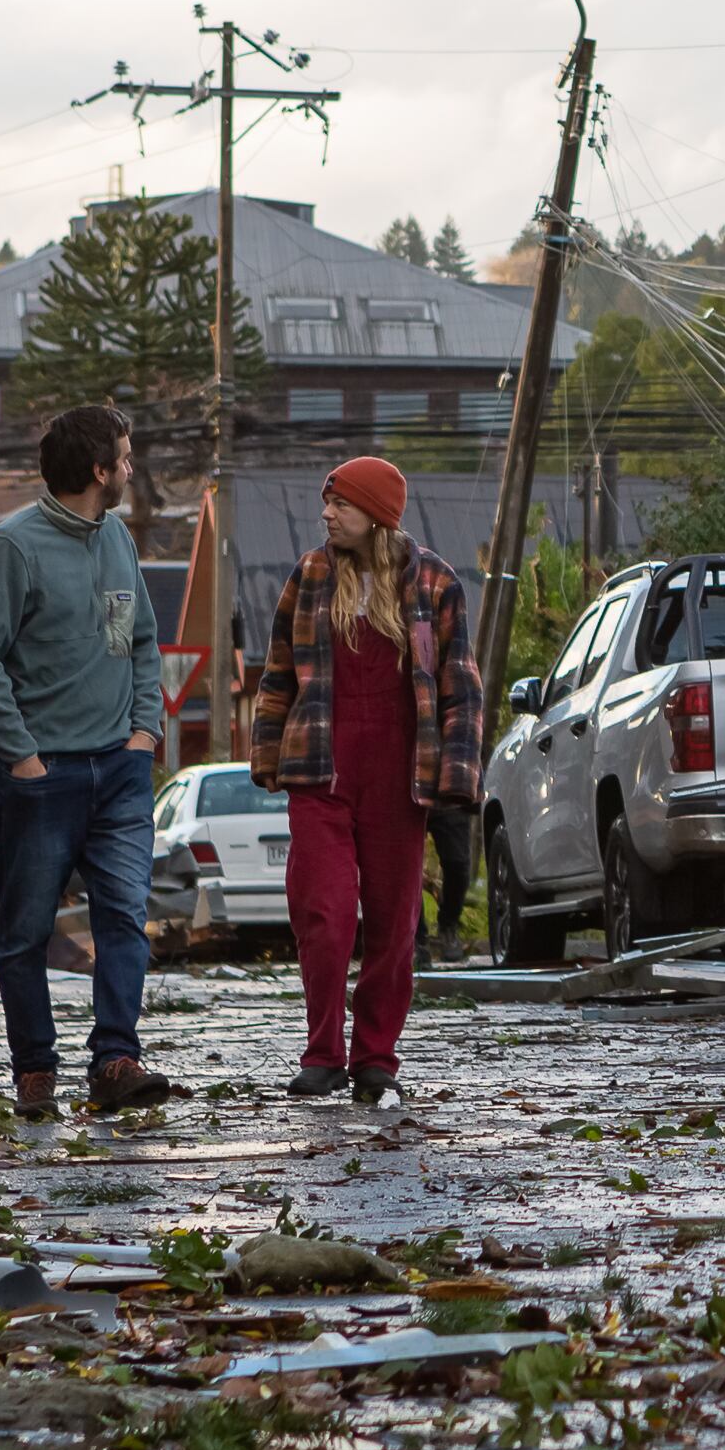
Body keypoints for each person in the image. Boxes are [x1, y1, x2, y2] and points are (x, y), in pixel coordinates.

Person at [0, 404, 174, 1120]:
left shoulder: (117, 538)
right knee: (25, 934)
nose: (133, 467)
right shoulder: (12, 548)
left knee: (123, 919)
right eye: (126, 456)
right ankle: (35, 1071)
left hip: (119, 771)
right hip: (40, 778)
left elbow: (141, 640)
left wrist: (145, 731)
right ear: (98, 471)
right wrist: (19, 758)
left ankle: (115, 1058)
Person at [246, 455, 483, 1103]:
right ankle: (322, 1052)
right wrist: (266, 758)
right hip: (318, 772)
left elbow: (462, 686)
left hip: (400, 783)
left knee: (394, 921)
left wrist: (458, 777)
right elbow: (276, 677)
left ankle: (375, 1056)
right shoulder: (310, 575)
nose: (326, 514)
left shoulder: (434, 581)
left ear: (375, 514)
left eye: (340, 504)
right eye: (327, 503)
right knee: (322, 913)